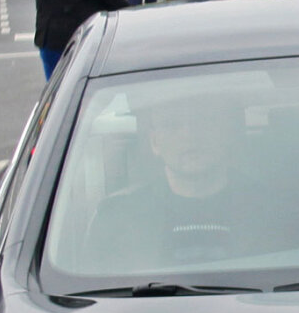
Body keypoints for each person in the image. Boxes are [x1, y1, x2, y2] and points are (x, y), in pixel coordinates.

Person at [84, 90, 264, 272]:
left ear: (227, 133)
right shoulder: (116, 218)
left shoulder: (274, 210)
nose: (189, 135)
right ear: (154, 142)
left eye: (203, 121)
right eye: (171, 125)